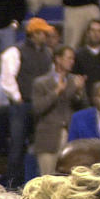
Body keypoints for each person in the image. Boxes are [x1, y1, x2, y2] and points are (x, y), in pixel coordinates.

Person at [0, 16, 55, 187]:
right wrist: (17, 98)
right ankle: (12, 186)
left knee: (40, 146)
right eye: (43, 33)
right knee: (17, 147)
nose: (46, 37)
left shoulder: (47, 53)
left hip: (41, 105)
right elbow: (7, 77)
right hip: (22, 105)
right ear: (33, 33)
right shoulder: (16, 51)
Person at [32, 44, 87, 175]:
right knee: (47, 180)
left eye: (73, 59)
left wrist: (79, 92)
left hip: (71, 137)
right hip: (48, 139)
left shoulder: (75, 81)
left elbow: (84, 108)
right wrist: (56, 92)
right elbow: (38, 108)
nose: (72, 62)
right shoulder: (41, 83)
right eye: (69, 58)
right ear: (58, 59)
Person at [74, 19, 100, 97]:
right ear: (87, 33)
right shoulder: (78, 55)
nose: (96, 34)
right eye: (93, 31)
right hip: (85, 99)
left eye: (99, 31)